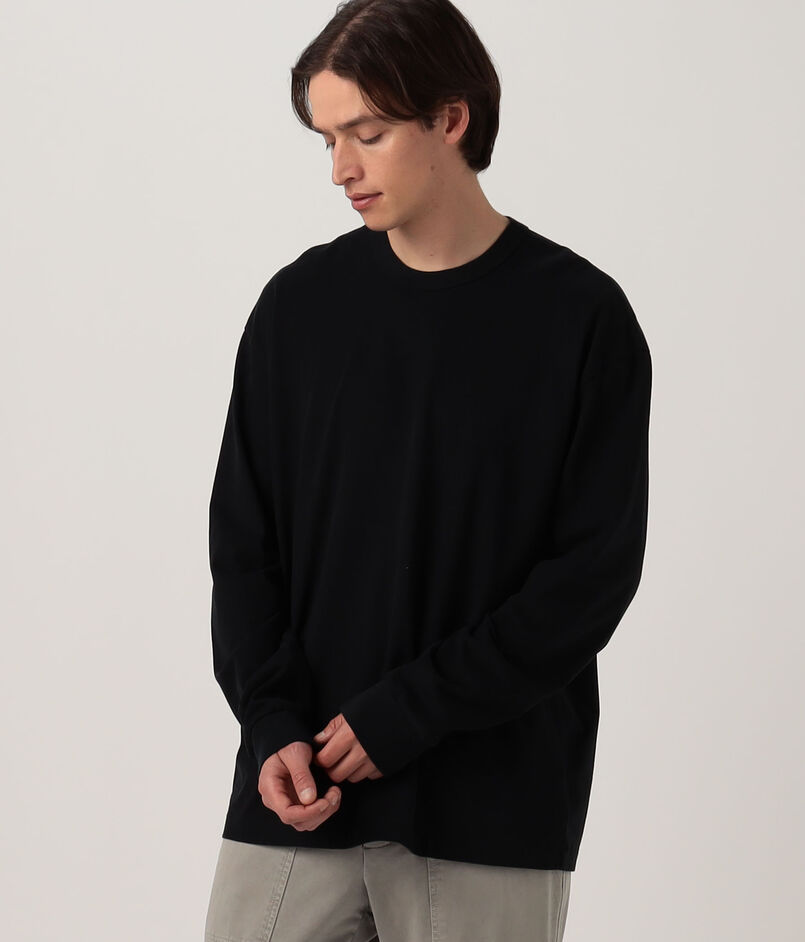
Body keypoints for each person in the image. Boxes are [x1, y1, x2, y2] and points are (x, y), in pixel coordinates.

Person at [203, 1, 652, 940]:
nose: (341, 169)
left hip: (489, 810)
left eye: (366, 134)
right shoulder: (298, 309)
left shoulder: (579, 320)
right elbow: (244, 548)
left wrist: (409, 711)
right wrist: (272, 723)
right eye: (327, 139)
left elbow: (588, 580)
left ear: (450, 118)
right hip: (299, 796)